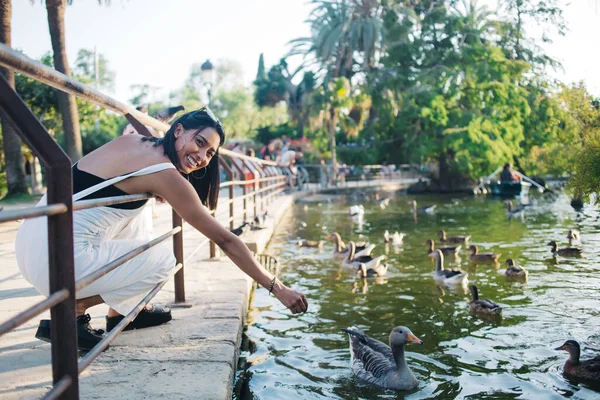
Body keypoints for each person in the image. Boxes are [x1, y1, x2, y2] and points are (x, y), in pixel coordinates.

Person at [15, 108, 308, 351]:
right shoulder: (164, 175)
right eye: (200, 142)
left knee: (139, 212)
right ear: (178, 130)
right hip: (57, 264)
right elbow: (225, 240)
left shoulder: (132, 143)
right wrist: (277, 288)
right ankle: (71, 312)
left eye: (210, 152)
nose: (202, 156)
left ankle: (126, 312)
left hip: (33, 246)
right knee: (164, 261)